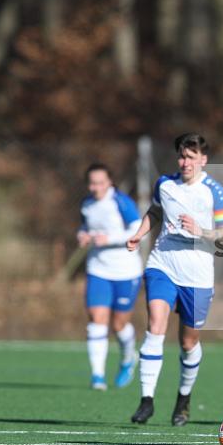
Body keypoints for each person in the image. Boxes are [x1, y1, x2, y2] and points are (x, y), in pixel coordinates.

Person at [126, 133, 223, 425]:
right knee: (155, 326)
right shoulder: (165, 184)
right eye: (181, 156)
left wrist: (201, 231)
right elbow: (155, 211)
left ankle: (183, 399)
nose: (185, 162)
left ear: (203, 160)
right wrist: (139, 233)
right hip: (162, 264)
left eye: (191, 157)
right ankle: (146, 400)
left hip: (197, 274)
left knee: (188, 342)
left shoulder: (215, 191)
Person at [78, 163, 143, 391]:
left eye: (100, 182)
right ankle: (98, 376)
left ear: (110, 182)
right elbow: (84, 226)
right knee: (97, 319)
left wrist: (110, 239)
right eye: (92, 183)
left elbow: (138, 231)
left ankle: (128, 357)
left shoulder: (121, 202)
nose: (95, 187)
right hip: (98, 269)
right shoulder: (87, 204)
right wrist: (83, 236)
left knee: (119, 324)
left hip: (126, 271)